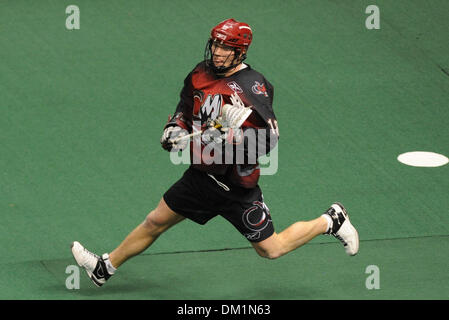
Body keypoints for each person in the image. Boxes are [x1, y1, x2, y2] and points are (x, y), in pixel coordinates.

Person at [71, 18, 359, 287]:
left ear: (240, 53)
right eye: (217, 45)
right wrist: (174, 127)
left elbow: (269, 139)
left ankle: (331, 220)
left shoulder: (252, 87)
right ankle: (103, 268)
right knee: (155, 221)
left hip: (236, 187)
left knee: (271, 250)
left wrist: (230, 139)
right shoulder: (200, 73)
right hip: (200, 177)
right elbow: (185, 108)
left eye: (226, 48)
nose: (218, 52)